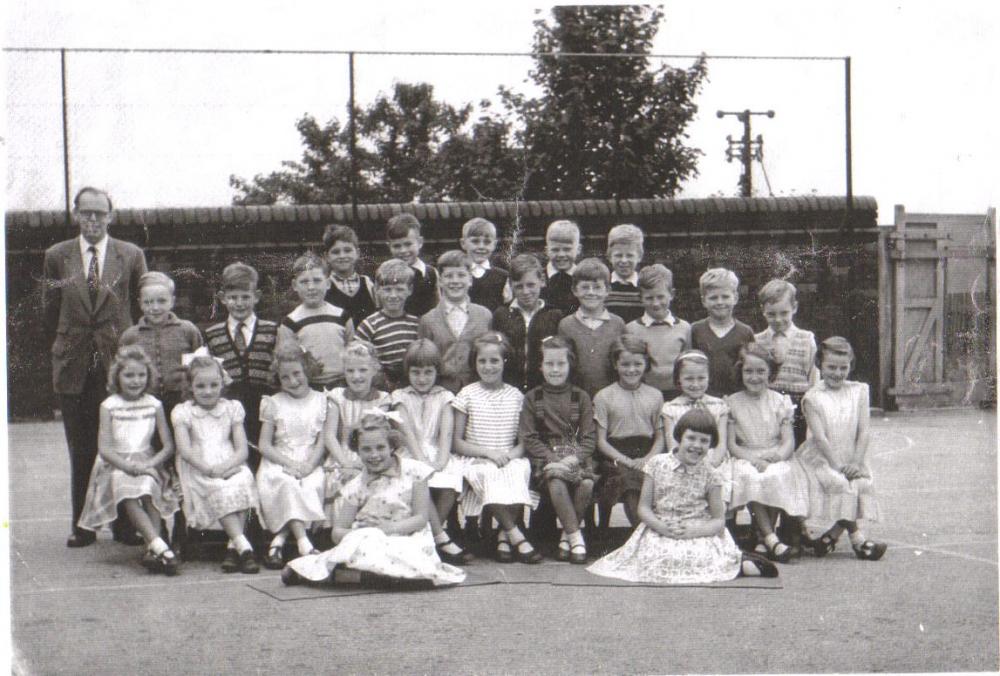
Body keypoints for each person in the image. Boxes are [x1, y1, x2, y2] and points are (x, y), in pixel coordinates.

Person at [42, 186, 148, 548]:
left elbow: (139, 307)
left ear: (110, 216)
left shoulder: (131, 255)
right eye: (86, 212)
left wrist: (130, 356)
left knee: (124, 443)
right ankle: (83, 525)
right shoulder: (57, 256)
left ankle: (123, 524)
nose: (92, 220)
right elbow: (50, 310)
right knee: (82, 446)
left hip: (118, 366)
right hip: (73, 365)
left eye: (99, 213)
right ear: (75, 214)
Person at [587, 409, 778, 584]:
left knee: (700, 555)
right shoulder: (656, 464)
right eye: (691, 438)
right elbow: (643, 508)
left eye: (704, 441)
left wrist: (694, 532)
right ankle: (737, 564)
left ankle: (739, 563)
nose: (697, 445)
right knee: (657, 556)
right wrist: (661, 527)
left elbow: (719, 520)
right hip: (661, 527)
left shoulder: (711, 474)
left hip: (697, 528)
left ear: (711, 444)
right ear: (680, 438)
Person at [281, 412, 466, 588]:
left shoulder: (415, 471)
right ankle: (330, 571)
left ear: (392, 446)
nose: (374, 455)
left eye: (380, 447)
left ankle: (349, 577)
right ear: (357, 451)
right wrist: (365, 534)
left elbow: (420, 518)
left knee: (414, 562)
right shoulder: (357, 484)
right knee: (368, 551)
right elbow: (337, 532)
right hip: (370, 540)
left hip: (408, 536)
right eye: (366, 449)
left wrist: (388, 530)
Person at [77, 345, 181, 574]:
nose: (136, 381)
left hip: (147, 461)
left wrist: (148, 465)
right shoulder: (109, 405)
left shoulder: (154, 404)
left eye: (141, 375)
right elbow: (104, 449)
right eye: (129, 375)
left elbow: (168, 446)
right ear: (117, 376)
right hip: (116, 463)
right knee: (126, 490)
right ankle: (161, 547)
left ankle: (153, 548)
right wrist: (127, 466)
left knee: (148, 487)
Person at [452, 332, 541, 564]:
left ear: (504, 362)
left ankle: (503, 536)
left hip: (508, 456)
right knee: (490, 473)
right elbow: (457, 442)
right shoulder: (467, 394)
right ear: (475, 363)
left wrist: (509, 455)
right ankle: (515, 534)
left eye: (494, 361)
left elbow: (523, 441)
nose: (488, 366)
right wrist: (488, 453)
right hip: (477, 458)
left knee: (517, 470)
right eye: (482, 361)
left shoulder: (516, 396)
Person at [796, 337, 886, 560]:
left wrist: (856, 462)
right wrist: (839, 466)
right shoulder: (813, 398)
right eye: (831, 367)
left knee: (861, 482)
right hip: (822, 458)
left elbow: (864, 430)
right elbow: (820, 439)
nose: (837, 373)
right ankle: (859, 542)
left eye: (843, 367)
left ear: (851, 366)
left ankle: (831, 537)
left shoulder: (859, 391)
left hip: (851, 455)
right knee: (844, 484)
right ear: (820, 365)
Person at [171, 355, 260, 574]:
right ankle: (244, 547)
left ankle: (234, 549)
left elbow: (242, 450)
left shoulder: (232, 408)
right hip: (199, 466)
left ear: (222, 383)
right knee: (219, 488)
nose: (208, 391)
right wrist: (210, 470)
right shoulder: (183, 412)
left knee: (242, 480)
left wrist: (227, 466)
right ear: (191, 387)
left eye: (213, 385)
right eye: (200, 386)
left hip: (229, 461)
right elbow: (185, 450)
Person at [391, 339, 472, 564]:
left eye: (428, 372)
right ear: (408, 372)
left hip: (437, 450)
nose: (422, 378)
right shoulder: (399, 397)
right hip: (411, 452)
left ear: (437, 371)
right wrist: (422, 461)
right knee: (419, 477)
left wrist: (441, 459)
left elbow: (446, 434)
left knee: (451, 477)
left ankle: (430, 535)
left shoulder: (445, 396)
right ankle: (440, 538)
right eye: (416, 372)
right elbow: (406, 433)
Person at [726, 342, 809, 562]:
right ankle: (772, 539)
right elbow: (732, 445)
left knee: (776, 475)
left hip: (774, 453)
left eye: (761, 371)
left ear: (770, 372)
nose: (755, 377)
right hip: (745, 455)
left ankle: (765, 540)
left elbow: (788, 441)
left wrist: (777, 456)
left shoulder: (780, 401)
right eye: (748, 371)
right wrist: (754, 459)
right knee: (751, 477)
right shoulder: (732, 402)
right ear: (740, 372)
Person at [519, 336, 596, 563]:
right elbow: (529, 437)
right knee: (555, 479)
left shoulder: (580, 397)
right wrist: (552, 458)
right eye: (549, 364)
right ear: (540, 366)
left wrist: (574, 458)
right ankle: (576, 537)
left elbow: (589, 438)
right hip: (545, 459)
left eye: (560, 364)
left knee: (587, 483)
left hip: (575, 457)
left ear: (570, 365)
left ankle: (565, 536)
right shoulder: (532, 398)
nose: (555, 370)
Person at [256, 345, 328, 569]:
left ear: (307, 370)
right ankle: (304, 543)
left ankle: (278, 541)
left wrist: (308, 466)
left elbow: (323, 442)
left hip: (310, 460)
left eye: (297, 373)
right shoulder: (273, 402)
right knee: (286, 483)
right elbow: (264, 445)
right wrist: (289, 464)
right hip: (278, 460)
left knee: (310, 484)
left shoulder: (322, 400)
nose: (292, 380)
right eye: (285, 377)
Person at [203, 262, 277, 471]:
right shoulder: (212, 334)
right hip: (230, 409)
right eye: (233, 297)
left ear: (257, 296)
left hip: (263, 408)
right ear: (222, 298)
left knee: (264, 463)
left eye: (245, 297)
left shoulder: (272, 330)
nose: (239, 303)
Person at [592, 335, 665, 527]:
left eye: (637, 364)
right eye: (625, 364)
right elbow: (601, 441)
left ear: (646, 364)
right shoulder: (604, 396)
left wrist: (647, 458)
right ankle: (639, 534)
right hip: (615, 455)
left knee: (649, 480)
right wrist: (625, 461)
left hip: (647, 453)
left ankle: (651, 534)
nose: (631, 370)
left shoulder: (655, 395)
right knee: (629, 483)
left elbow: (660, 437)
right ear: (615, 365)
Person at [322, 341, 392, 524]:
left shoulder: (383, 399)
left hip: (370, 454)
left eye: (362, 370)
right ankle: (335, 531)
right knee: (336, 482)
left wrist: (360, 466)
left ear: (373, 370)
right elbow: (329, 436)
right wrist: (346, 464)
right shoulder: (337, 397)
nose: (356, 376)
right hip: (342, 456)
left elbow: (378, 434)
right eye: (350, 371)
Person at [119, 271, 204, 420]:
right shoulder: (130, 336)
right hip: (144, 403)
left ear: (172, 301)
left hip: (183, 403)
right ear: (140, 303)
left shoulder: (187, 330)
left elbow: (201, 365)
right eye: (148, 302)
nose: (155, 307)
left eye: (162, 301)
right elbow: (121, 371)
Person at [754, 279, 819, 447]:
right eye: (771, 314)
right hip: (769, 404)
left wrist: (812, 407)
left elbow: (813, 375)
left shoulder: (806, 338)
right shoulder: (757, 341)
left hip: (799, 404)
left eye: (784, 313)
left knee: (798, 448)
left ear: (794, 308)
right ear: (763, 311)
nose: (778, 319)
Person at [417, 250, 492, 393]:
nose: (455, 281)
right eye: (449, 276)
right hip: (441, 392)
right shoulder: (428, 320)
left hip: (478, 392)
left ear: (470, 280)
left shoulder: (485, 315)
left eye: (461, 275)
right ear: (440, 280)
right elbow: (424, 361)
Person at [276, 252, 353, 391]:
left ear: (328, 283)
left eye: (317, 280)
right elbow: (287, 361)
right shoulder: (290, 322)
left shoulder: (342, 316)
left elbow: (352, 351)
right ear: (294, 285)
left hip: (343, 384)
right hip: (309, 387)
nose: (311, 287)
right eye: (304, 282)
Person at [491, 253, 563, 393]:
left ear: (542, 281)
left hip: (544, 389)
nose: (526, 292)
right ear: (511, 285)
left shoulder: (554, 315)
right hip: (508, 389)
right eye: (519, 286)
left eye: (531, 285)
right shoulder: (501, 315)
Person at [557, 257, 626, 397]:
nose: (591, 292)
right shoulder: (566, 325)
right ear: (575, 290)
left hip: (611, 398)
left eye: (597, 287)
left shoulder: (618, 324)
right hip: (576, 398)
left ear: (607, 290)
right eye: (585, 287)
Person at [623, 264, 690, 401]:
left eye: (661, 297)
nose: (655, 303)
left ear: (672, 294)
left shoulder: (684, 328)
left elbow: (688, 365)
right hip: (644, 395)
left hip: (678, 395)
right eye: (649, 298)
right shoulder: (631, 329)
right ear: (640, 298)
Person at [355, 259, 420, 392]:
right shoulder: (369, 325)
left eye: (399, 289)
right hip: (380, 389)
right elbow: (358, 360)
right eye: (387, 289)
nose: (393, 295)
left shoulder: (416, 324)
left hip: (412, 388)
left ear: (410, 290)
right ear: (377, 289)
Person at [690, 268, 754, 397]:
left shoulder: (745, 332)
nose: (720, 302)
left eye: (725, 297)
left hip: (737, 398)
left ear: (735, 298)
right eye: (713, 298)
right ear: (704, 301)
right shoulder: (695, 330)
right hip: (703, 397)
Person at [322, 224, 378, 328]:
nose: (342, 256)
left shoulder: (368, 283)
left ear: (357, 253)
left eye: (347, 250)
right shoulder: (324, 287)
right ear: (327, 257)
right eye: (336, 252)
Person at [386, 213, 438, 318]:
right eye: (397, 246)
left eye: (408, 244)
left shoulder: (430, 273)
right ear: (389, 246)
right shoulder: (385, 274)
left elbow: (438, 305)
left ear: (420, 242)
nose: (403, 251)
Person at [460, 217, 512, 309]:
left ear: (494, 245)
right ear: (463, 243)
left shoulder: (503, 277)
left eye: (487, 242)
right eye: (475, 241)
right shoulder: (457, 275)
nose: (481, 246)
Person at [604, 223, 645, 323]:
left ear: (639, 256)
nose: (624, 260)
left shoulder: (645, 286)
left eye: (629, 255)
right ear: (609, 256)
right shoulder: (603, 286)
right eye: (618, 255)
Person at [540, 219, 582, 315]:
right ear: (547, 251)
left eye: (567, 249)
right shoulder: (539, 277)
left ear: (578, 249)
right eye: (555, 250)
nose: (561, 254)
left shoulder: (582, 277)